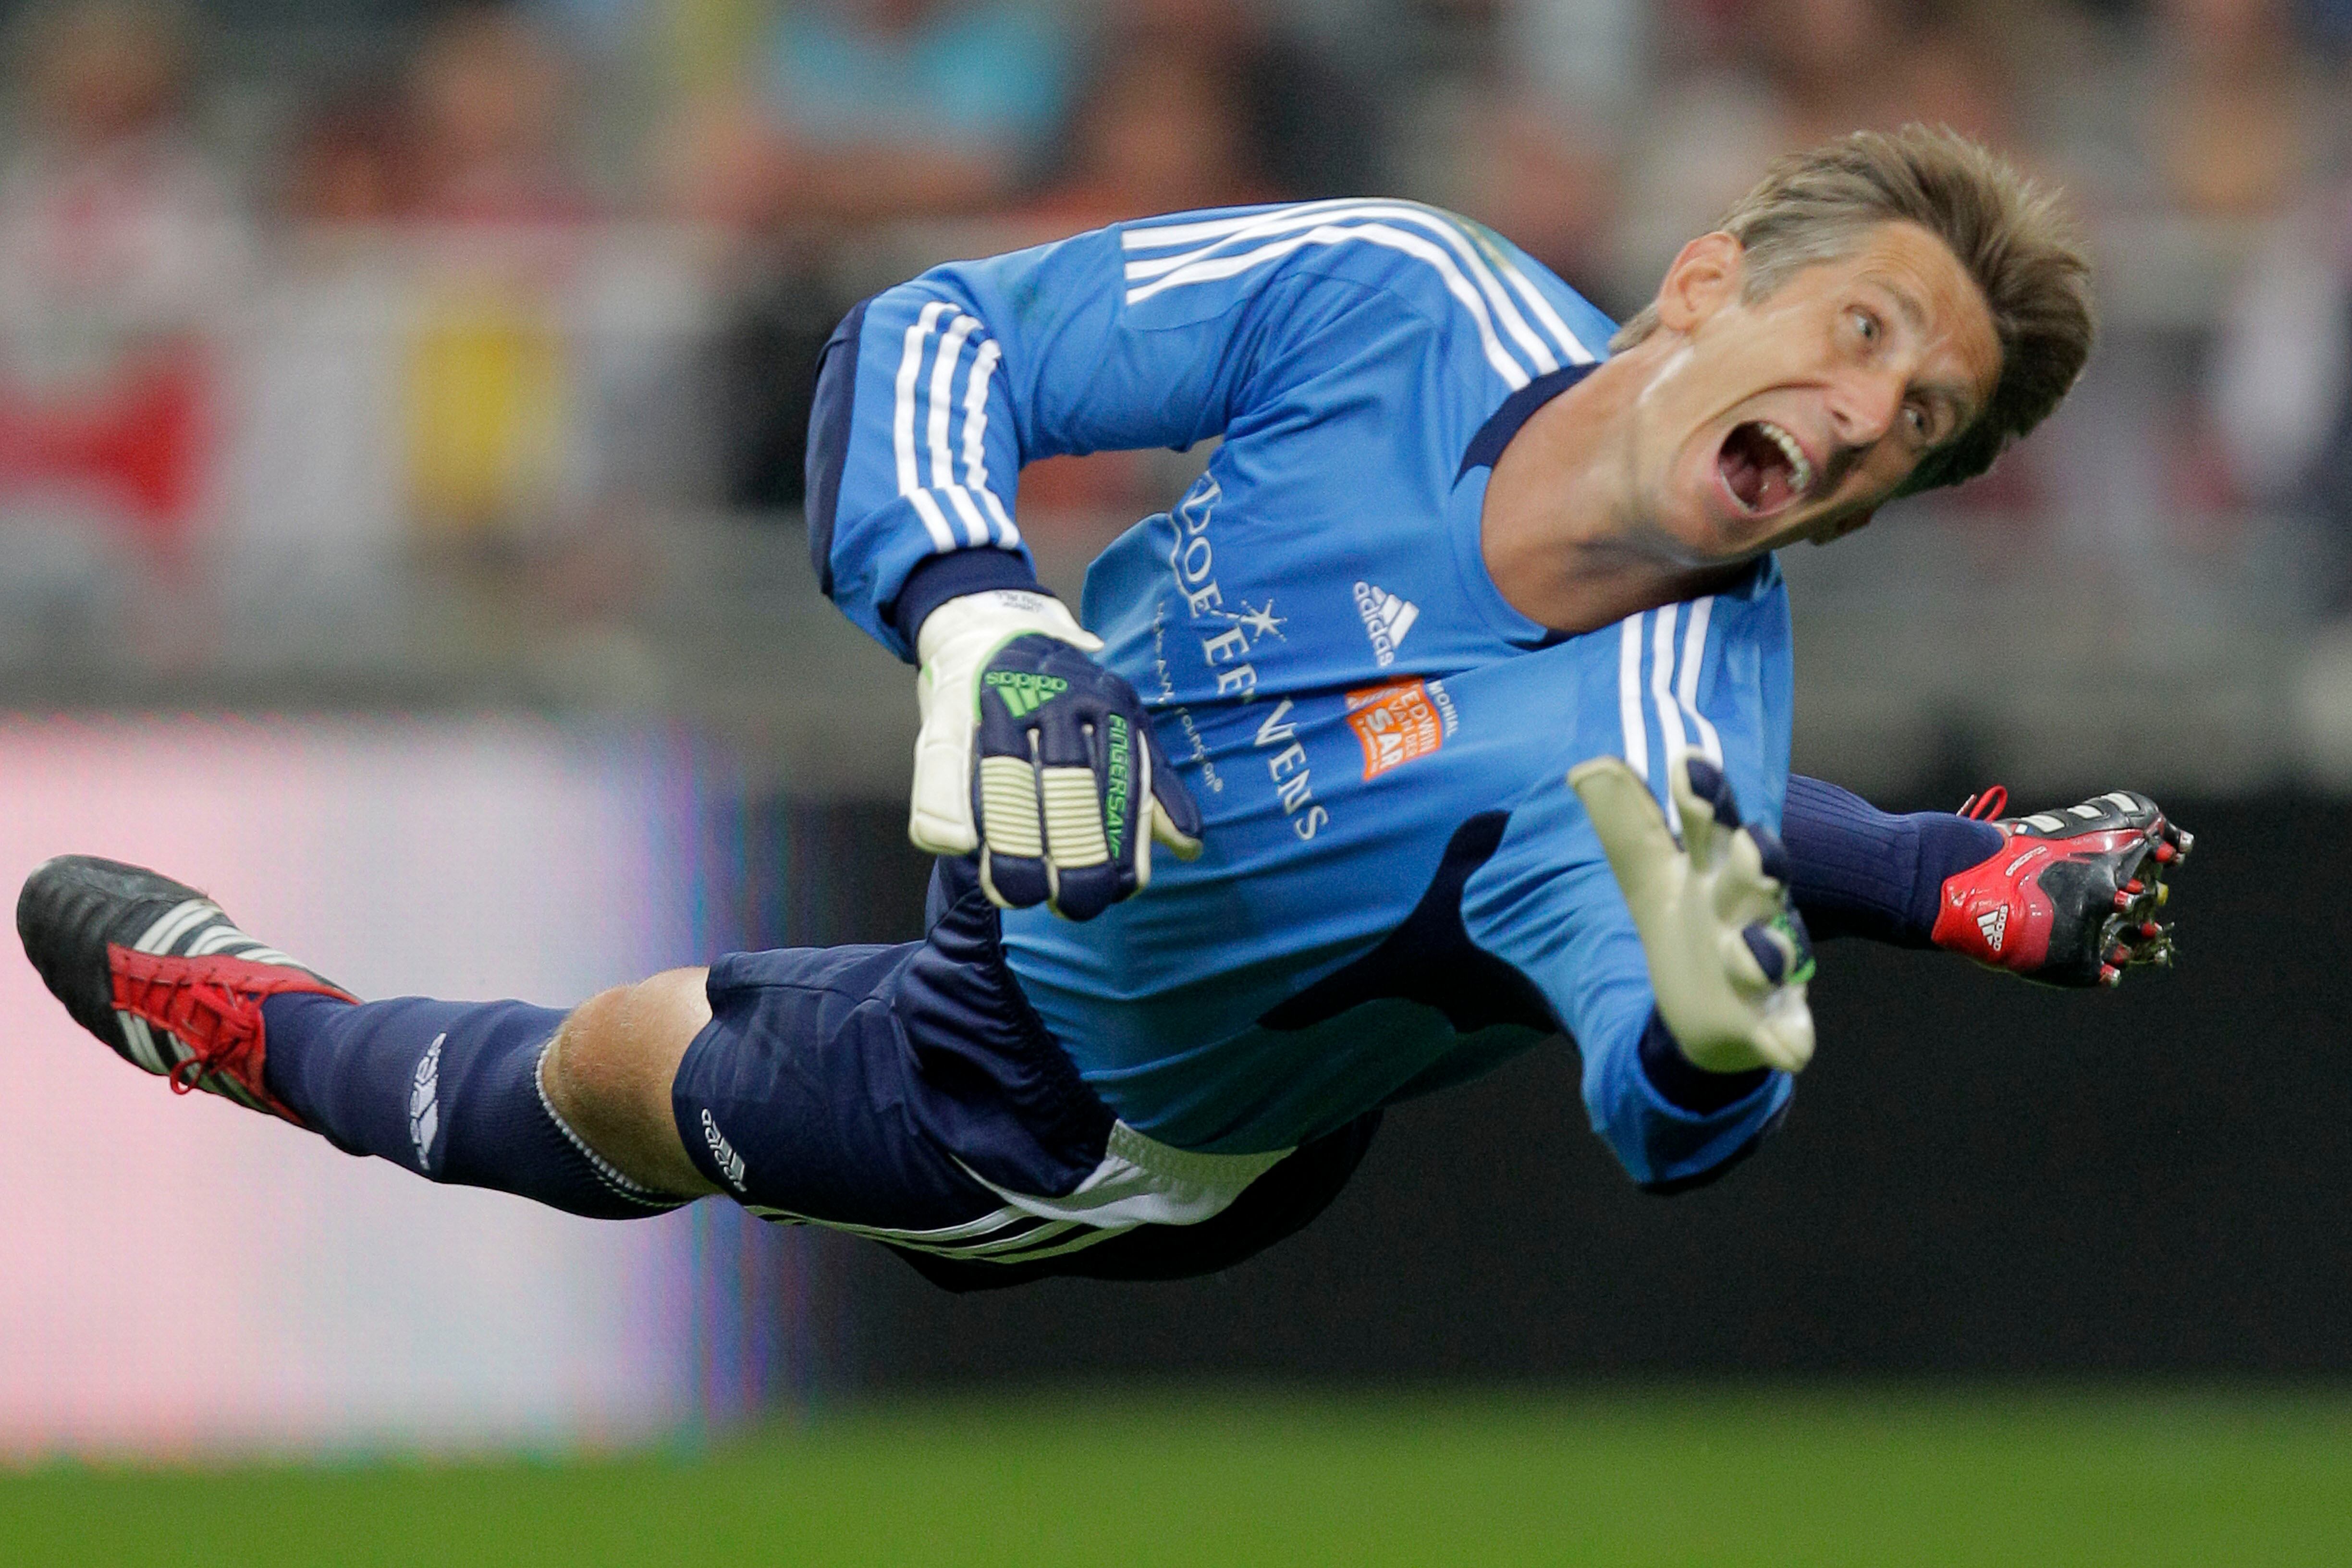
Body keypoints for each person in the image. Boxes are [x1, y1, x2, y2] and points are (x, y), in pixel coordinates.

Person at [18, 127, 2192, 1292]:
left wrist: (1721, 1042)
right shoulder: (1400, 296)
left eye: (1919, 424)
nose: (1866, 410)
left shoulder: (1659, 752)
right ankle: (1947, 869)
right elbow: (944, 336)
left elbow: (1658, 1066)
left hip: (1073, 1116)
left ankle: (262, 1038)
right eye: (1865, 329)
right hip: (1043, 885)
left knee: (616, 1063)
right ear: (1710, 278)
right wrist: (982, 619)